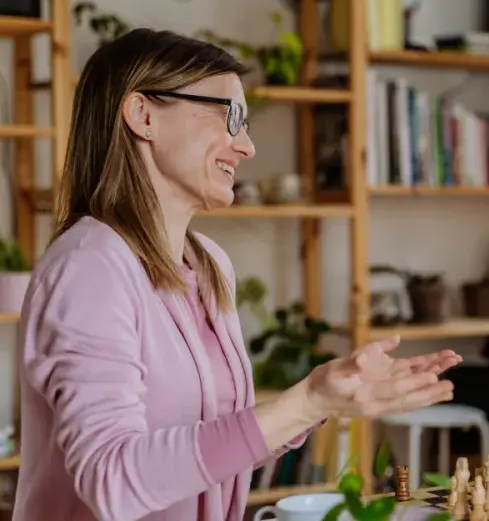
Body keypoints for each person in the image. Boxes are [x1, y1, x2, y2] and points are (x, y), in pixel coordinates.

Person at [13, 28, 461, 521]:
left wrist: (327, 396)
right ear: (143, 116)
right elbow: (113, 481)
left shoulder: (207, 263)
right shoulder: (90, 266)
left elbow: (214, 448)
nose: (245, 146)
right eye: (230, 116)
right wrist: (306, 402)